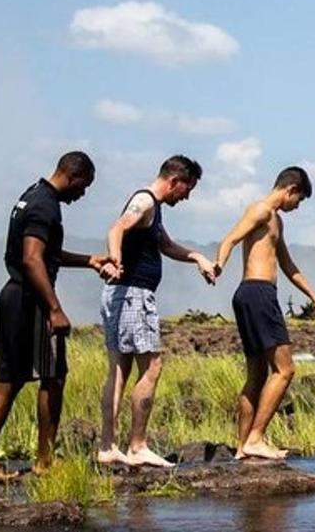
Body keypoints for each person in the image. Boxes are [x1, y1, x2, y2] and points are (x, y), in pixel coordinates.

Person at [0, 152, 113, 482]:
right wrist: (55, 309)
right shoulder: (46, 205)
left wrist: (89, 260)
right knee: (53, 376)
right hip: (29, 299)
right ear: (73, 177)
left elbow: (44, 252)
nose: (82, 194)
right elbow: (32, 260)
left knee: (13, 378)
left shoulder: (31, 194)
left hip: (14, 295)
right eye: (84, 187)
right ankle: (44, 460)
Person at [96, 155, 218, 467]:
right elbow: (117, 228)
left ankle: (108, 446)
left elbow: (165, 245)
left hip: (124, 294)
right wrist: (115, 259)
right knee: (152, 366)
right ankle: (137, 446)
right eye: (187, 189)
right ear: (175, 181)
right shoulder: (145, 201)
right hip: (133, 294)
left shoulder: (154, 208)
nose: (187, 196)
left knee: (120, 369)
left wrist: (197, 258)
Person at [214, 166, 315, 460]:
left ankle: (243, 446)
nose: (297, 206)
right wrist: (218, 265)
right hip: (258, 293)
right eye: (299, 200)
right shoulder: (262, 210)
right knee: (285, 370)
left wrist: (314, 296)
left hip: (251, 295)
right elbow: (230, 239)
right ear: (290, 190)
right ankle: (256, 437)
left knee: (257, 374)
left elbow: (289, 266)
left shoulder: (276, 221)